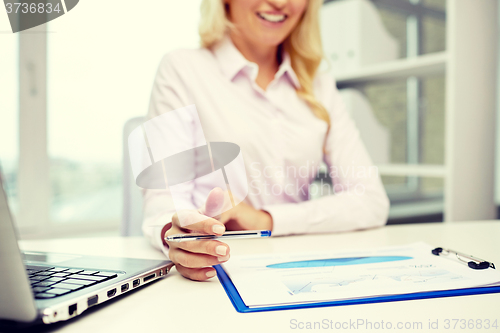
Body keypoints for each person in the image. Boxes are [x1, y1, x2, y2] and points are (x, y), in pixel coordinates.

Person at [141, 0, 390, 281]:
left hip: (296, 269)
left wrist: (267, 220)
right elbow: (163, 202)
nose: (280, 2)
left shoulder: (319, 84)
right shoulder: (183, 68)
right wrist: (178, 237)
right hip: (215, 270)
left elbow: (371, 201)